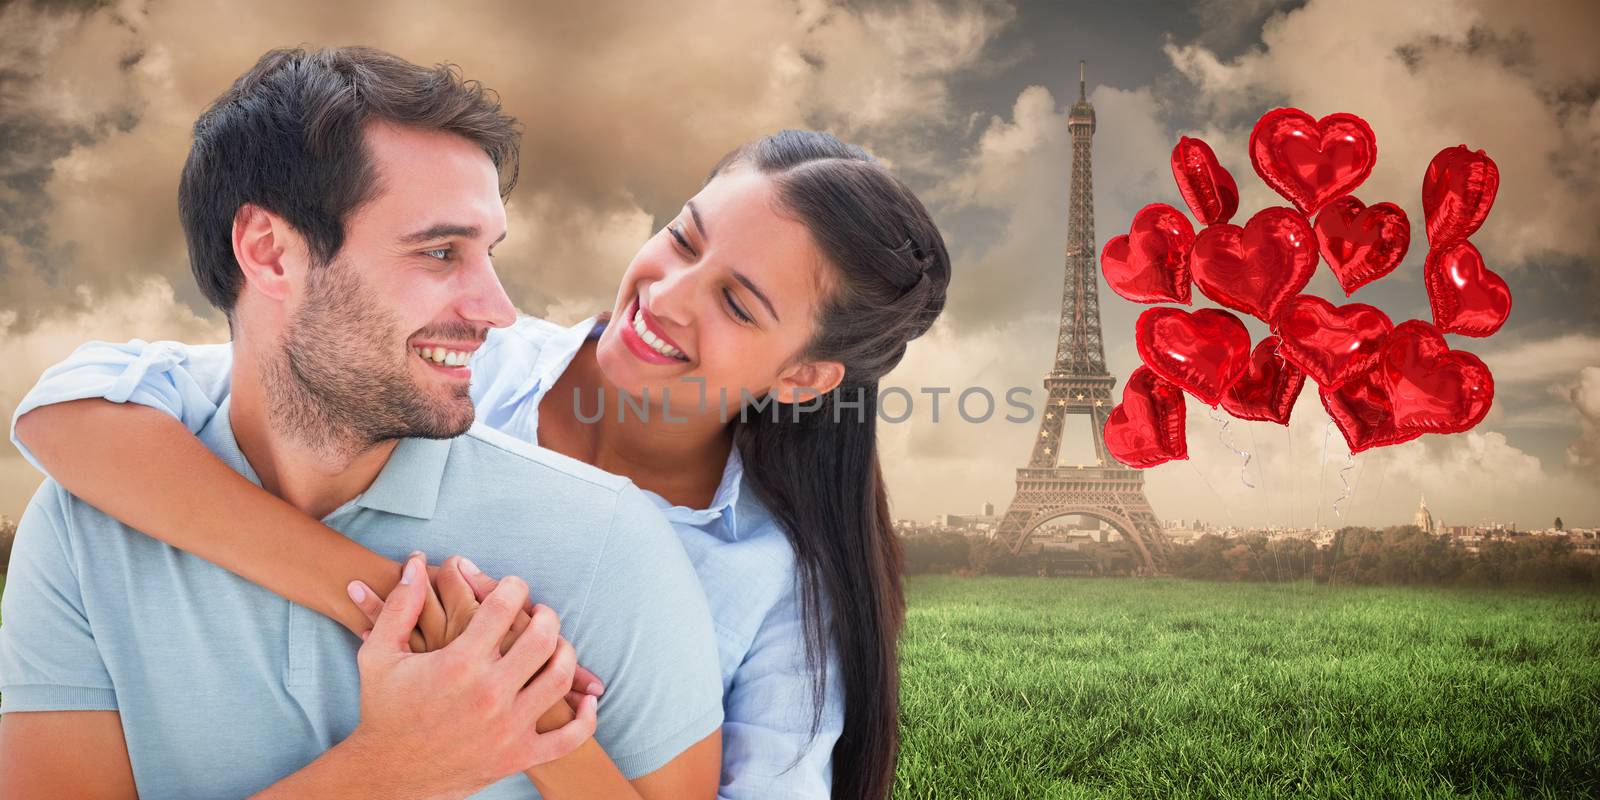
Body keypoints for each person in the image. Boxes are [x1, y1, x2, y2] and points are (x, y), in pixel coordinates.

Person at [9, 77, 951, 800]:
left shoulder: (773, 585)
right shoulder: (453, 371)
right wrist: (392, 604)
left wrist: (526, 710)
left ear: (803, 377)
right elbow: (76, 417)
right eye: (684, 238)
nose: (664, 297)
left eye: (738, 304)